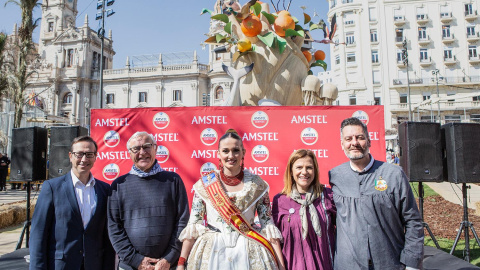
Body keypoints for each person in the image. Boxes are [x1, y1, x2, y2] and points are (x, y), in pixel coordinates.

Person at [177, 129, 285, 270]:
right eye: (225, 151)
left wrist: (281, 265)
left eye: (235, 150)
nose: (231, 155)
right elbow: (193, 225)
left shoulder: (257, 185)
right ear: (218, 154)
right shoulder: (205, 184)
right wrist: (181, 263)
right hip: (212, 250)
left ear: (243, 153)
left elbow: (268, 226)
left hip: (249, 249)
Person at [329, 117, 424, 270]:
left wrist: (412, 262)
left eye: (360, 137)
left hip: (389, 263)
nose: (354, 143)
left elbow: (412, 220)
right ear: (342, 144)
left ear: (369, 141)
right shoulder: (335, 176)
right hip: (348, 265)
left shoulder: (393, 174)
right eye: (348, 139)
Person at [29, 136, 115, 270]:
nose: (84, 159)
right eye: (79, 154)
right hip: (61, 265)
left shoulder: (105, 190)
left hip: (94, 265)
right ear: (70, 156)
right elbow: (38, 233)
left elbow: (107, 235)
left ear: (95, 157)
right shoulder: (52, 188)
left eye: (89, 154)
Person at [108, 131, 190, 270]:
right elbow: (114, 228)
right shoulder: (118, 185)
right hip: (130, 266)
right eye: (136, 149)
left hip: (168, 266)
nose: (142, 152)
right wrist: (136, 260)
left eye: (146, 146)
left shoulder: (173, 180)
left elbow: (182, 222)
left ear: (155, 148)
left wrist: (168, 259)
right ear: (129, 153)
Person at [272, 149, 336, 270]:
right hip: (294, 265)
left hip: (325, 265)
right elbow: (275, 240)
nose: (304, 172)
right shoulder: (280, 200)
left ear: (315, 170)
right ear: (291, 171)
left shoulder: (328, 196)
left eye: (309, 167)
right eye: (299, 167)